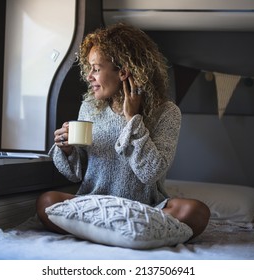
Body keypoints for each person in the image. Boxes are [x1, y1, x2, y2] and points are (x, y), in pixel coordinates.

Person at [36, 23, 210, 238]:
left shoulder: (167, 112)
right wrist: (68, 151)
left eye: (96, 69)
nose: (89, 76)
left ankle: (105, 232)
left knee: (196, 212)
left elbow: (151, 173)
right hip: (96, 203)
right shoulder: (89, 108)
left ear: (123, 71)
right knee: (47, 201)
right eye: (89, 68)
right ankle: (130, 234)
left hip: (145, 208)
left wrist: (133, 119)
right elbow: (75, 175)